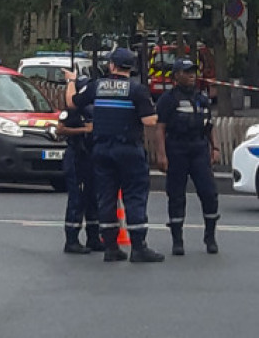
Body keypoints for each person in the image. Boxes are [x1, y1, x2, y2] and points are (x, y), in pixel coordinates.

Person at [65, 48, 163, 263]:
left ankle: (111, 247)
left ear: (111, 65)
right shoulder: (137, 90)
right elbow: (150, 121)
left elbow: (72, 102)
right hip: (128, 149)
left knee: (106, 196)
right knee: (135, 195)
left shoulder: (96, 86)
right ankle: (138, 247)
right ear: (132, 67)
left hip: (101, 150)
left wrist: (71, 80)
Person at [154, 58, 220, 255]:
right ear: (176, 76)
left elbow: (209, 125)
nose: (192, 75)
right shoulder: (168, 99)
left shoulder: (202, 98)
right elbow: (160, 128)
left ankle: (210, 237)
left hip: (199, 148)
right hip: (177, 148)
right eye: (187, 72)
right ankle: (177, 240)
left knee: (209, 193)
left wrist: (215, 148)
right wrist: (161, 154)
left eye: (193, 71)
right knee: (175, 194)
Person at [57, 76, 103, 254]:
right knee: (77, 199)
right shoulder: (72, 111)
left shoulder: (95, 109)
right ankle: (72, 239)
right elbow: (60, 129)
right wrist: (84, 130)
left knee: (94, 199)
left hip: (92, 157)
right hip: (77, 156)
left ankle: (93, 237)